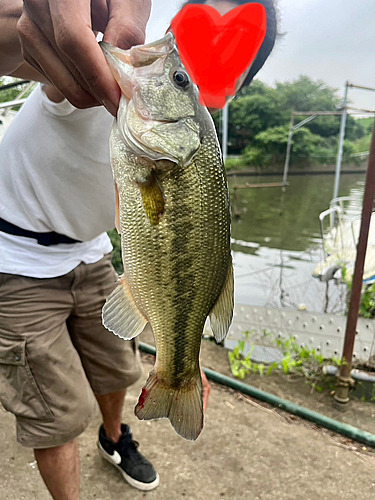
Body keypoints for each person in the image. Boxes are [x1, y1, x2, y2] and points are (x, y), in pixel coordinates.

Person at [0, 1, 277, 499]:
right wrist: (31, 12)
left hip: (90, 252)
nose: (184, 51)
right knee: (58, 413)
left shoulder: (192, 134)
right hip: (17, 256)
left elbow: (192, 255)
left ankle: (114, 438)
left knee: (118, 368)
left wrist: (186, 350)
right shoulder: (93, 65)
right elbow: (17, 42)